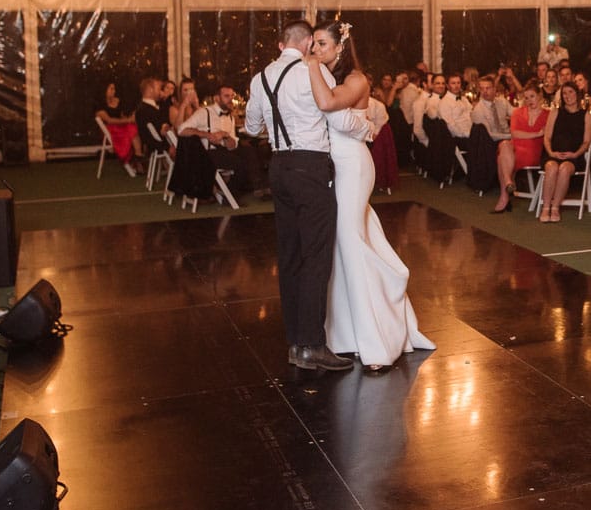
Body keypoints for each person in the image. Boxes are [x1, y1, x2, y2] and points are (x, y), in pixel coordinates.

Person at [303, 21, 434, 371]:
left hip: (354, 166)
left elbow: (329, 104)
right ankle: (346, 334)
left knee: (350, 240)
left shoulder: (356, 79)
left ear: (340, 46)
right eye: (313, 45)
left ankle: (376, 338)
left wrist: (311, 66)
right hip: (334, 169)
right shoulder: (329, 76)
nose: (315, 50)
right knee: (343, 243)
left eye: (321, 44)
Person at [245, 19, 369, 372]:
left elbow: (251, 128)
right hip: (310, 168)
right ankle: (312, 344)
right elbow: (335, 114)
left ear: (283, 43)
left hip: (278, 168)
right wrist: (367, 120)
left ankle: (295, 343)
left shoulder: (260, 78)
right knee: (316, 256)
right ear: (305, 44)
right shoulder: (311, 73)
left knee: (290, 257)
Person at [178, 84, 264, 198]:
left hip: (224, 151)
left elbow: (233, 145)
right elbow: (181, 130)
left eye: (231, 96)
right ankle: (230, 194)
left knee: (249, 152)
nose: (230, 100)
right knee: (238, 162)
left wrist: (226, 136)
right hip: (207, 153)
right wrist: (207, 135)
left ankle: (257, 187)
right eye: (226, 96)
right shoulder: (204, 112)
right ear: (216, 98)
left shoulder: (231, 117)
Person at [539, 83, 591, 222]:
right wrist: (551, 152)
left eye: (570, 92)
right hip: (553, 153)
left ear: (577, 93)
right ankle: (546, 208)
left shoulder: (586, 115)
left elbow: (586, 142)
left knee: (564, 169)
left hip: (574, 156)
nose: (567, 96)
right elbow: (547, 137)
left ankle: (555, 208)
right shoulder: (555, 112)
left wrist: (575, 154)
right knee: (551, 168)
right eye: (564, 93)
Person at [492, 86, 549, 213]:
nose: (529, 100)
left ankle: (504, 194)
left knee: (502, 156)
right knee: (505, 144)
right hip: (515, 147)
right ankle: (508, 182)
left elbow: (549, 135)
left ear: (539, 96)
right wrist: (538, 133)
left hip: (533, 151)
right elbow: (515, 134)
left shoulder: (548, 115)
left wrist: (537, 135)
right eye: (526, 98)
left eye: (532, 96)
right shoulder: (518, 112)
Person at [96, 81, 141, 177]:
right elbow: (109, 120)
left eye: (114, 89)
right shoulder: (100, 106)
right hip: (111, 130)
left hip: (121, 126)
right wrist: (129, 120)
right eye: (111, 89)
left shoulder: (117, 101)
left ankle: (138, 156)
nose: (113, 91)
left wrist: (129, 118)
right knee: (130, 127)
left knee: (133, 127)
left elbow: (121, 116)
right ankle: (137, 158)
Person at [134, 77, 169, 158]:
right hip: (160, 144)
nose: (161, 91)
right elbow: (158, 129)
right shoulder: (145, 110)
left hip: (157, 143)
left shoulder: (146, 108)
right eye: (158, 88)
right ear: (150, 89)